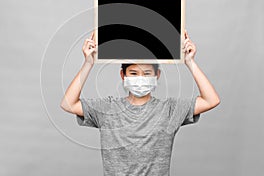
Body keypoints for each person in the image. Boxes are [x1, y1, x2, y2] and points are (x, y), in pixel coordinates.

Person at [60, 30, 220, 176]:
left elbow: (211, 100)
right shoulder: (107, 109)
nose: (140, 78)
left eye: (147, 73)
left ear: (157, 75)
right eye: (134, 73)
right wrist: (88, 63)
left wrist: (190, 62)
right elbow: (68, 104)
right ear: (123, 75)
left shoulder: (170, 110)